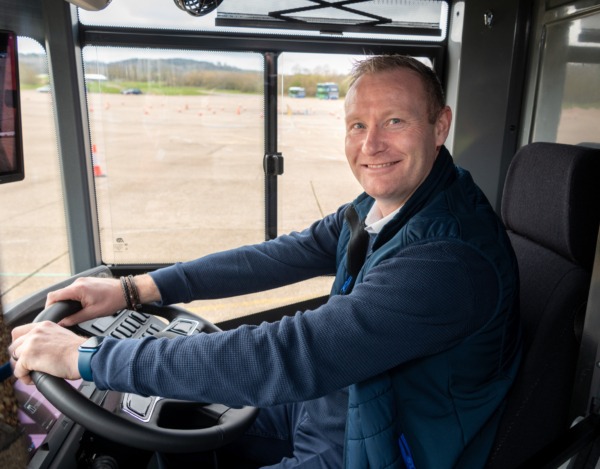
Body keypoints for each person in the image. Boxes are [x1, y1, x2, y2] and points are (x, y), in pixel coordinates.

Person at [9, 55, 522, 468]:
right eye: (357, 125)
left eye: (394, 121)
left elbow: (296, 355)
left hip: (383, 444)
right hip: (341, 403)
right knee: (172, 431)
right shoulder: (383, 208)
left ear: (440, 126)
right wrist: (134, 289)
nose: (371, 145)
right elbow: (281, 255)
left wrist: (84, 360)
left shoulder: (447, 259)